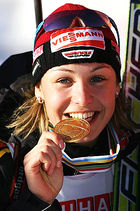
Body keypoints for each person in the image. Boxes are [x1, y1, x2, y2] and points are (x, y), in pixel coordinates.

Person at [0, 3, 139, 211]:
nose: (83, 98)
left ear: (117, 86)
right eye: (64, 80)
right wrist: (37, 202)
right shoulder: (8, 164)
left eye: (98, 78)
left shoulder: (132, 148)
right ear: (39, 89)